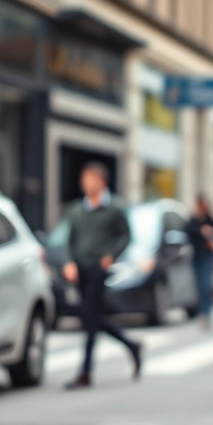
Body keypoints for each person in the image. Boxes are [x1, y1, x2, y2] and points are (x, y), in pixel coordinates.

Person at [62, 162, 142, 390]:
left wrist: (111, 256)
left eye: (89, 179)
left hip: (98, 269)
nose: (85, 184)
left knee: (90, 317)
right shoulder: (77, 210)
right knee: (92, 317)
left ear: (101, 181)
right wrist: (68, 262)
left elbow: (126, 236)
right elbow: (70, 240)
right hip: (80, 270)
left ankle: (85, 372)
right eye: (84, 180)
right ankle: (131, 344)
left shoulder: (114, 208)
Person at [185, 195, 213, 330]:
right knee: (199, 286)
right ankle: (202, 312)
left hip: (207, 255)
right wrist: (201, 231)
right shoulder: (193, 219)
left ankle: (205, 313)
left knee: (206, 285)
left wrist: (210, 233)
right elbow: (187, 230)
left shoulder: (209, 218)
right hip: (196, 255)